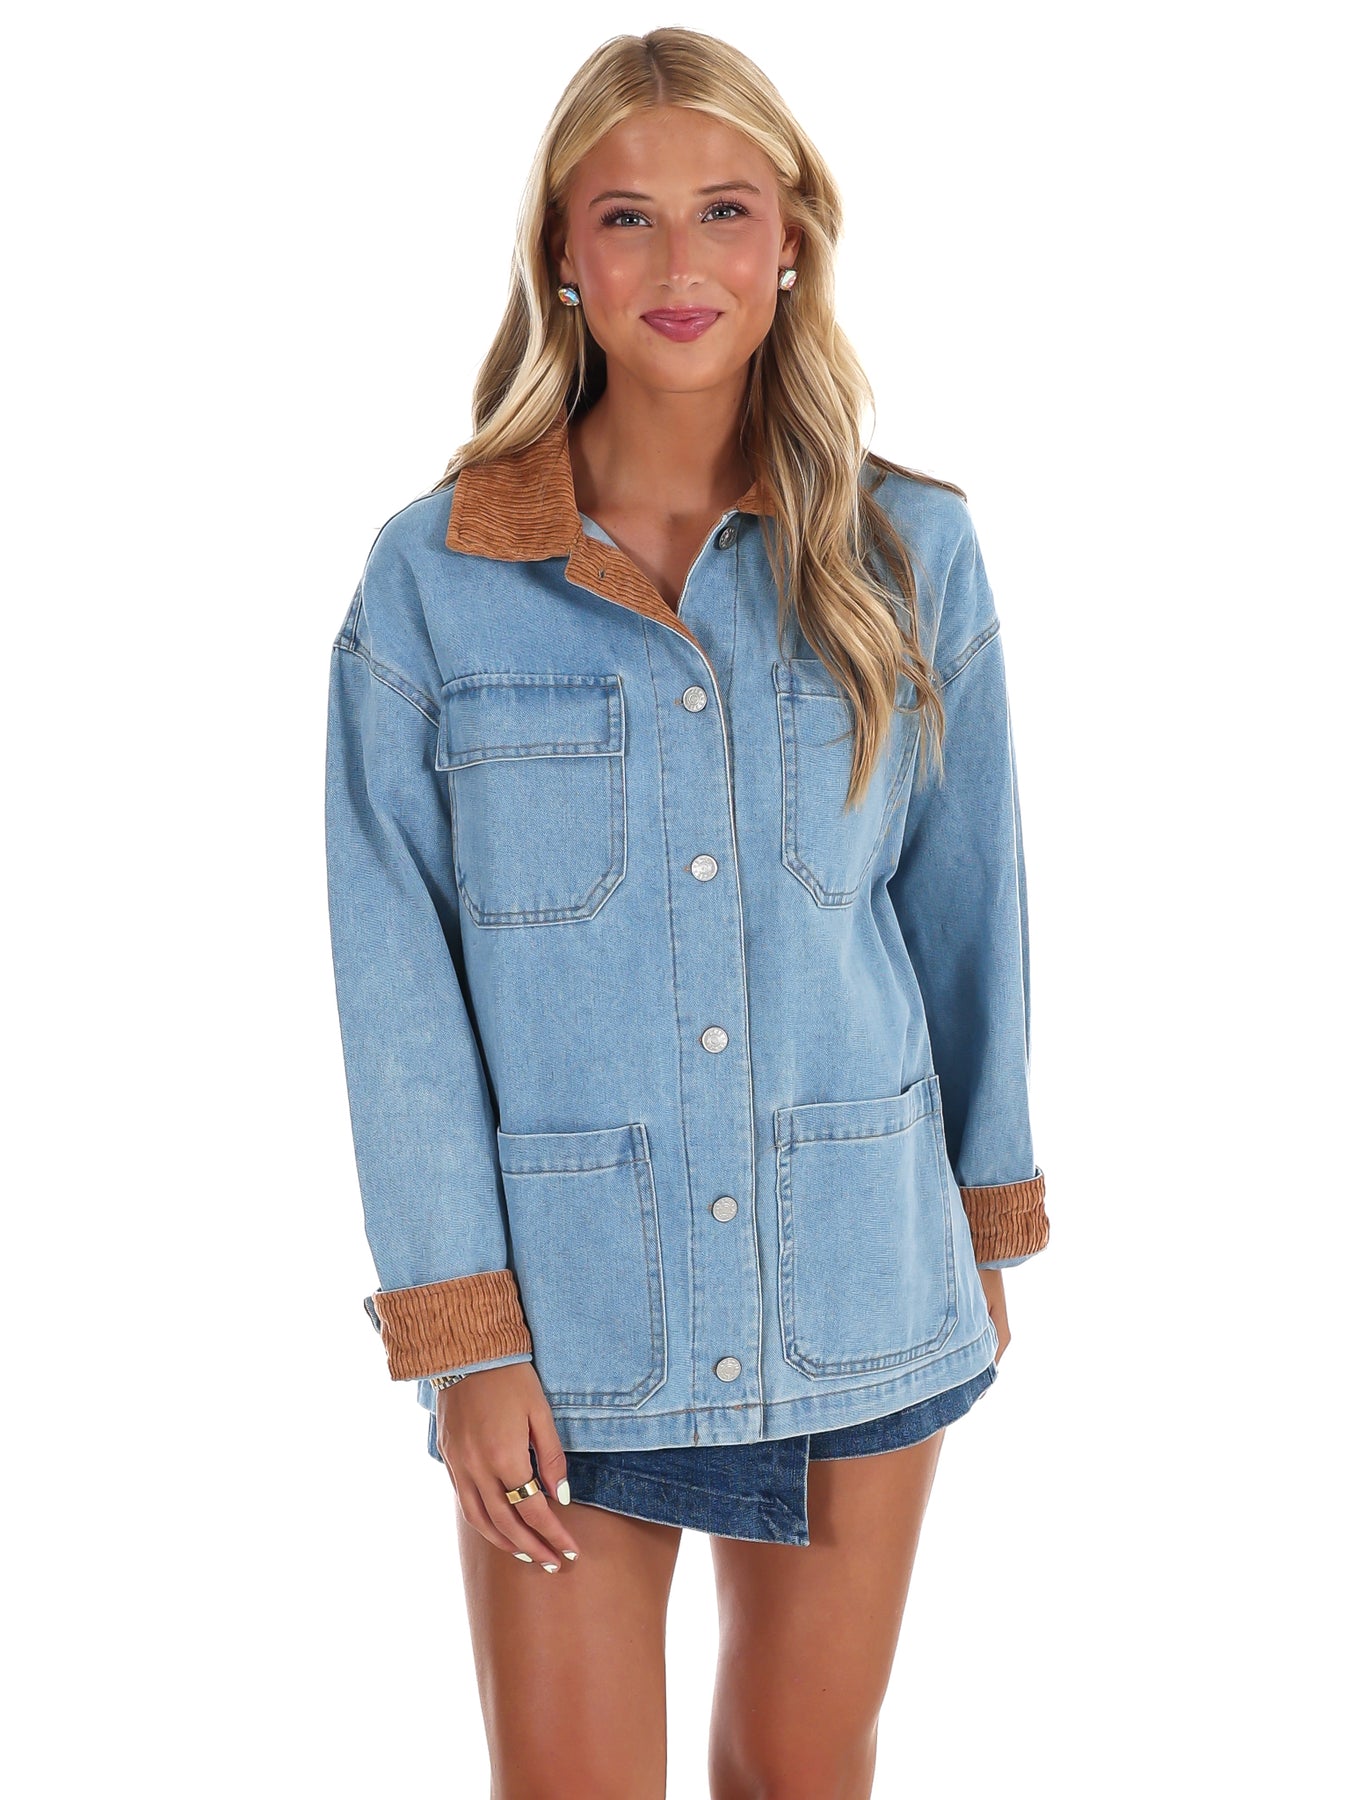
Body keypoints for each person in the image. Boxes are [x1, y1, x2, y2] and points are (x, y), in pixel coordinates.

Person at [324, 26, 1049, 1799]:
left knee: (803, 1774)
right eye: (625, 216)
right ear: (560, 255)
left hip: (860, 1267)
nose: (678, 260)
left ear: (788, 237)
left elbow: (971, 913)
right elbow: (395, 984)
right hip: (570, 1316)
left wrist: (980, 1228)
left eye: (722, 208)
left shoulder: (909, 553)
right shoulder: (434, 582)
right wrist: (464, 1337)